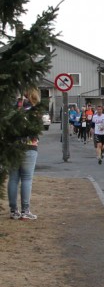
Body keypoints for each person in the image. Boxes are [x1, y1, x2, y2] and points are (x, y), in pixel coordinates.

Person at [8, 87, 44, 220]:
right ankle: (25, 210)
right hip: (30, 146)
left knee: (13, 179)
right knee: (27, 179)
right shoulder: (35, 110)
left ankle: (13, 210)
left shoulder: (13, 108)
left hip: (13, 146)